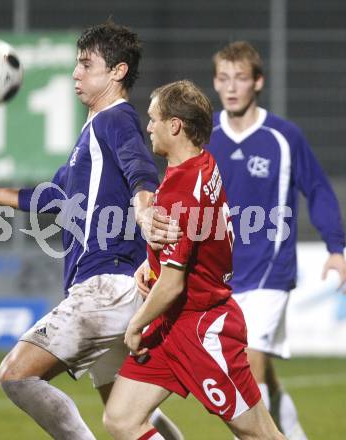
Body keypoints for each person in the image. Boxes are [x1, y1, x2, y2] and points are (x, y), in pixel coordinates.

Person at [0, 22, 183, 440]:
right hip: (121, 290)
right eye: (76, 64)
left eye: (87, 65)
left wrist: (145, 204)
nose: (76, 73)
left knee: (16, 375)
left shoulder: (115, 120)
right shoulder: (91, 133)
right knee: (127, 417)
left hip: (106, 287)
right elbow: (54, 198)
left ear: (117, 72)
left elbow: (139, 165)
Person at [103, 80, 285, 440]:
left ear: (175, 126)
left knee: (261, 436)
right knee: (121, 419)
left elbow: (173, 284)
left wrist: (135, 325)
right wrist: (152, 262)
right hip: (173, 326)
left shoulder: (179, 191)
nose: (149, 126)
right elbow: (193, 240)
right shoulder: (202, 162)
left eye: (154, 119)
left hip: (204, 329)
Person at [207, 41, 346, 439]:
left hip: (270, 273)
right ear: (215, 83)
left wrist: (335, 248)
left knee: (246, 371)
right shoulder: (207, 136)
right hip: (221, 277)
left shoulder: (283, 137)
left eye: (240, 79)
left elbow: (317, 189)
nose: (231, 87)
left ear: (258, 82)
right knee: (255, 372)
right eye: (223, 78)